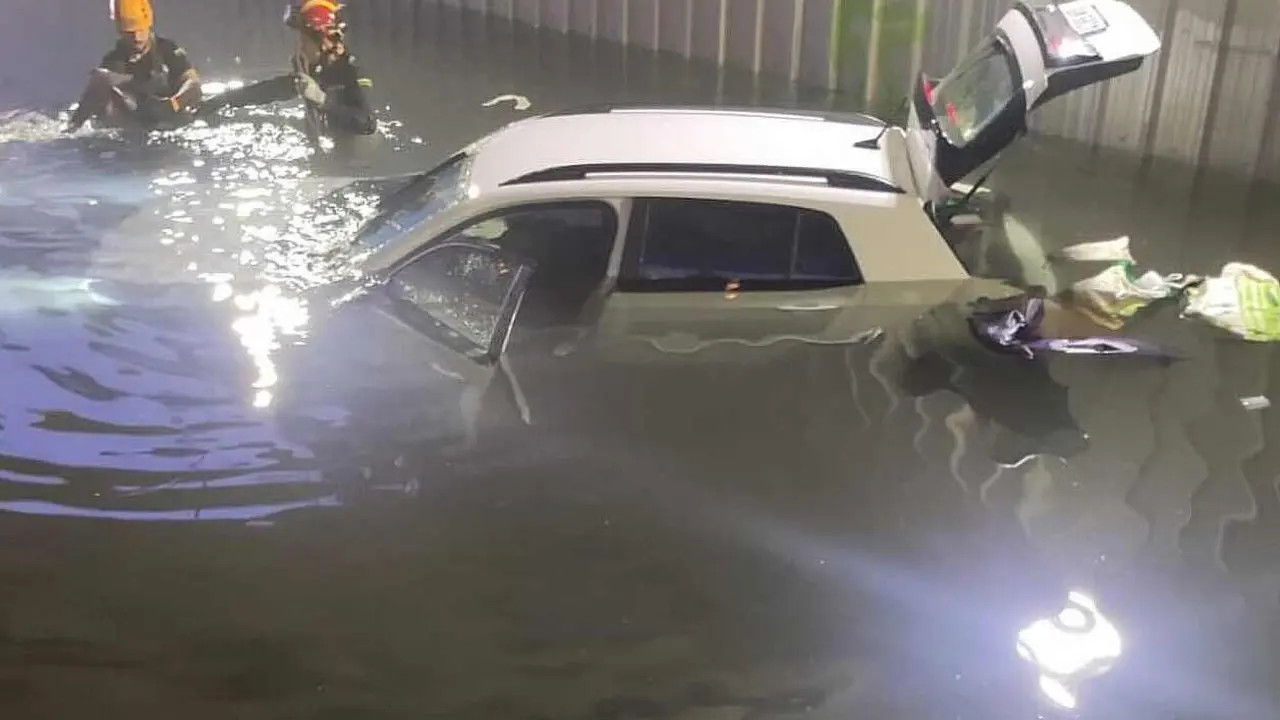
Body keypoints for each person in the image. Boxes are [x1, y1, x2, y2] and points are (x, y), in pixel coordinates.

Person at [196, 0, 376, 142]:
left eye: (303, 41)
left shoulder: (353, 70)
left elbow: (368, 124)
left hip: (358, 154)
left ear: (324, 40)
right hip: (326, 144)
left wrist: (323, 101)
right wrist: (221, 101)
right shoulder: (311, 67)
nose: (300, 47)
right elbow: (271, 91)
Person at [65, 0, 202, 134]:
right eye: (130, 33)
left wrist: (173, 104)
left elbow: (193, 84)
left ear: (148, 25)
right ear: (121, 32)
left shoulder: (167, 50)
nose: (137, 37)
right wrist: (74, 125)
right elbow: (92, 98)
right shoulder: (113, 63)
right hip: (136, 125)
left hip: (172, 120)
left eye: (140, 30)